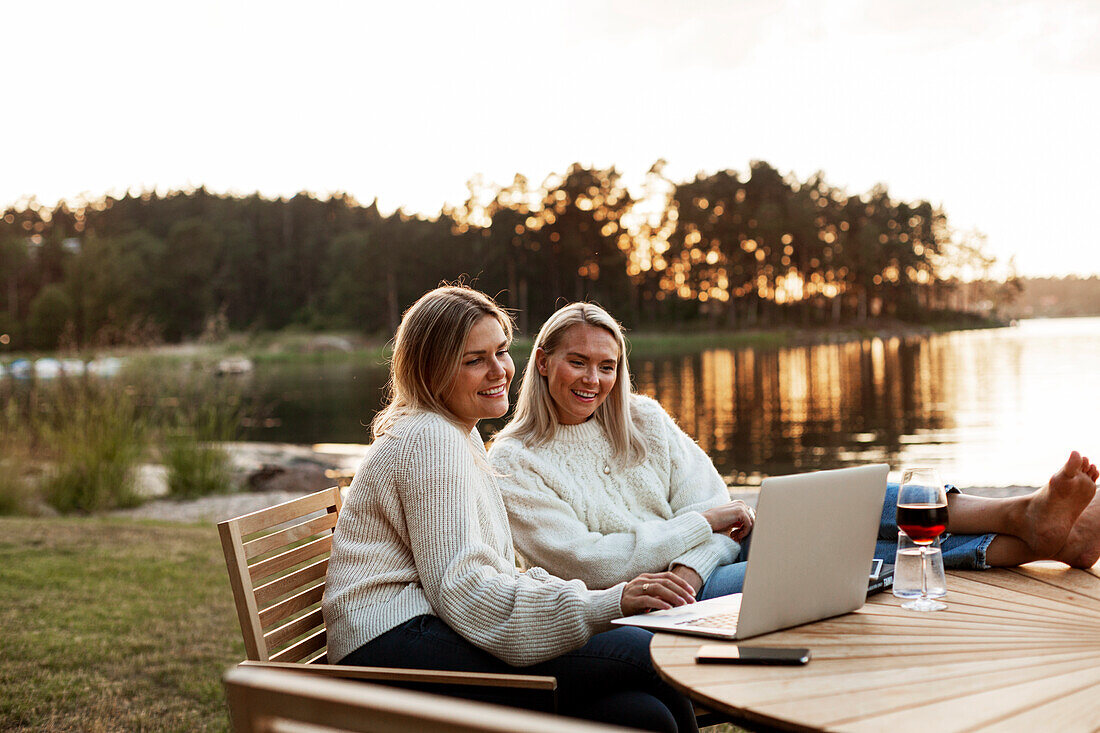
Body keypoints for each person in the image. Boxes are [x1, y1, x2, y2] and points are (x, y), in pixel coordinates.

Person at [489, 302, 1100, 600]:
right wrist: (702, 532)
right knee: (845, 562)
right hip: (653, 595)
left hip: (698, 563)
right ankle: (1045, 540)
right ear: (542, 362)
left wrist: (701, 540)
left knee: (853, 503)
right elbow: (591, 565)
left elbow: (723, 507)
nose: (593, 380)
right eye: (578, 362)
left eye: (607, 365)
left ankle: (1018, 518)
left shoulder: (642, 419)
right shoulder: (515, 461)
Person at [321, 286, 700, 733]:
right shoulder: (430, 439)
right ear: (432, 370)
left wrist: (581, 600)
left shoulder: (459, 435)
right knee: (645, 656)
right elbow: (465, 588)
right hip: (391, 648)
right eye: (474, 360)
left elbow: (489, 572)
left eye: (500, 351)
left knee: (643, 714)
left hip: (418, 630)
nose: (499, 370)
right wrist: (603, 603)